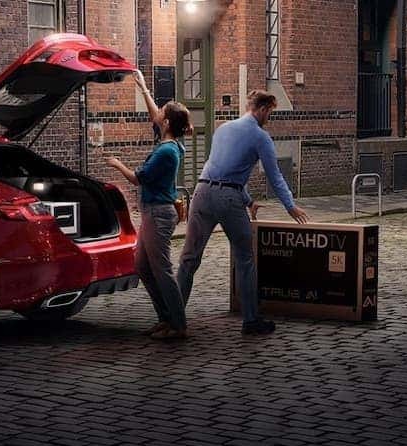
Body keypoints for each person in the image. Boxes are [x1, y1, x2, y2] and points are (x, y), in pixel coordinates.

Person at [178, 91, 310, 336]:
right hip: (228, 199)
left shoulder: (223, 128)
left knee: (188, 259)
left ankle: (173, 318)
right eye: (270, 112)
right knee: (245, 258)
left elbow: (221, 166)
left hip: (201, 191)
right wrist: (290, 206)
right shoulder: (260, 137)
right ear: (261, 109)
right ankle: (251, 321)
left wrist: (248, 200)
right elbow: (275, 176)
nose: (269, 117)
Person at [106, 70, 192, 340]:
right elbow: (157, 114)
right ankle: (165, 319)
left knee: (162, 269)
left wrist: (116, 163)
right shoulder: (172, 142)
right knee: (143, 267)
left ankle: (178, 325)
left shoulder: (166, 151)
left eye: (162, 114)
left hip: (158, 214)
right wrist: (143, 87)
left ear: (166, 123)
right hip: (152, 213)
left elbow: (137, 179)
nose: (157, 116)